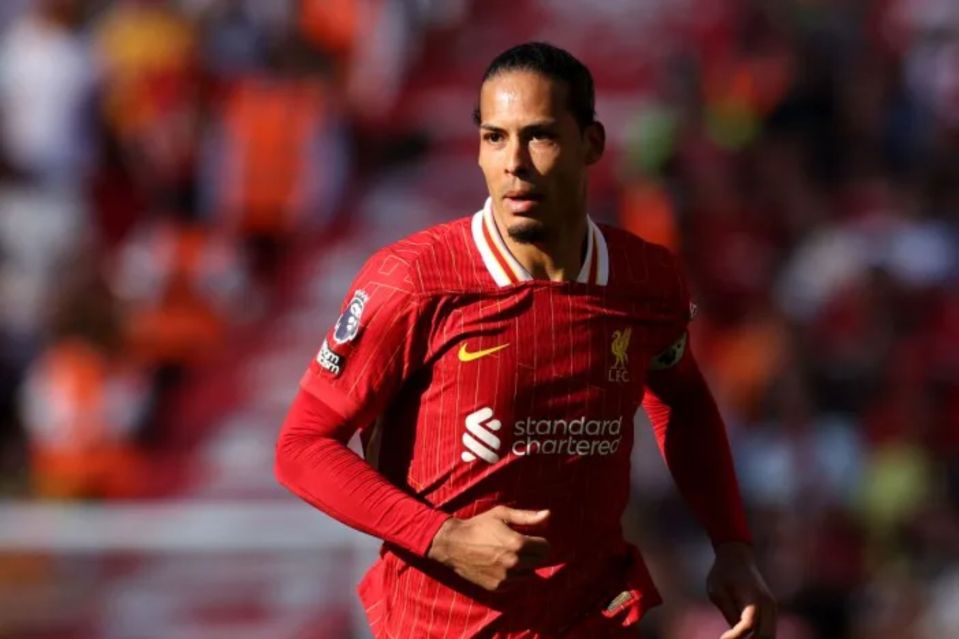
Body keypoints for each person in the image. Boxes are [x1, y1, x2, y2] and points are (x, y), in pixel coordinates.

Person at [275, 42, 776, 638]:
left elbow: (683, 398)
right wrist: (444, 538)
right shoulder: (413, 280)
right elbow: (302, 446)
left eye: (538, 136)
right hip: (440, 628)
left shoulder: (647, 280)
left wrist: (731, 543)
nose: (514, 162)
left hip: (593, 620)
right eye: (494, 138)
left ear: (592, 143)